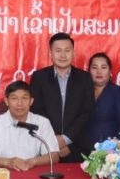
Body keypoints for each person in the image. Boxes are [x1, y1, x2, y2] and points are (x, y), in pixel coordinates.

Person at [30, 32, 94, 162]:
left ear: (73, 53)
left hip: (76, 148)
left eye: (67, 50)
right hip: (45, 148)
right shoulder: (39, 77)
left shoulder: (85, 78)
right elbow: (36, 111)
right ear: (51, 53)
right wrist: (53, 140)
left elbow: (86, 113)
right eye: (58, 50)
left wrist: (66, 140)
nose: (63, 55)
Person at [0, 81, 60, 171]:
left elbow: (54, 156)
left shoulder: (42, 122)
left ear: (31, 101)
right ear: (6, 101)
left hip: (32, 173)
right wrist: (8, 162)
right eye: (14, 98)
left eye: (24, 98)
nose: (20, 103)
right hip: (3, 174)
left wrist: (32, 162)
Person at [86, 53, 120, 146]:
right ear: (89, 71)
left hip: (109, 150)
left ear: (110, 71)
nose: (99, 71)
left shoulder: (117, 91)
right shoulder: (83, 92)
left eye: (103, 67)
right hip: (83, 148)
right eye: (94, 67)